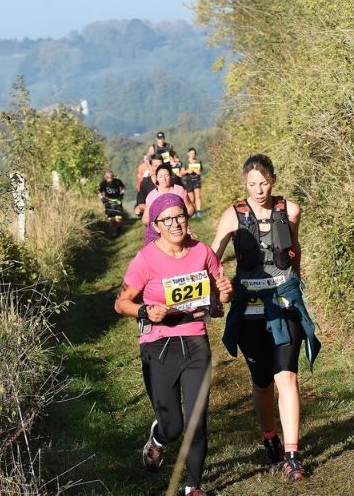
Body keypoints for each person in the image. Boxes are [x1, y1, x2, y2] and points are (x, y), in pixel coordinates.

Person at [211, 154, 320, 481]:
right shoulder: (232, 215)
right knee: (262, 382)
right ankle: (270, 435)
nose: (258, 190)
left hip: (284, 301)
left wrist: (297, 283)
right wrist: (214, 293)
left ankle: (292, 454)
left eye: (264, 183)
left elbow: (294, 248)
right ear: (245, 184)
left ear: (273, 180)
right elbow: (211, 258)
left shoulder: (291, 210)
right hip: (249, 307)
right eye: (252, 184)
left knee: (287, 375)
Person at [115, 194, 233, 496]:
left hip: (195, 339)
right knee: (173, 426)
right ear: (156, 225)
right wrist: (145, 311)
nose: (175, 223)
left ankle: (193, 486)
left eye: (180, 216)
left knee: (196, 420)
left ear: (187, 218)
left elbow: (218, 299)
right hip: (158, 343)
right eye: (167, 219)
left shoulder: (202, 252)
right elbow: (121, 303)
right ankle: (158, 437)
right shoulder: (145, 259)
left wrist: (224, 292)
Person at [143, 164, 196, 245]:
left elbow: (190, 209)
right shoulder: (152, 196)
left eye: (166, 176)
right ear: (156, 178)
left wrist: (181, 219)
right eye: (161, 176)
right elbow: (145, 218)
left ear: (171, 176)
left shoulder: (179, 190)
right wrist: (159, 224)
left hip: (179, 229)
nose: (164, 179)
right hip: (160, 233)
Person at [183, 147, 204, 219]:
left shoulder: (198, 161)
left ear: (195, 154)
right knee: (191, 198)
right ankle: (193, 212)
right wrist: (187, 171)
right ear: (188, 154)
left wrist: (199, 172)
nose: (192, 155)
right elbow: (182, 172)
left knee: (198, 196)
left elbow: (201, 170)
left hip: (196, 179)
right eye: (191, 153)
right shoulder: (185, 162)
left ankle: (199, 212)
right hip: (188, 180)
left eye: (194, 153)